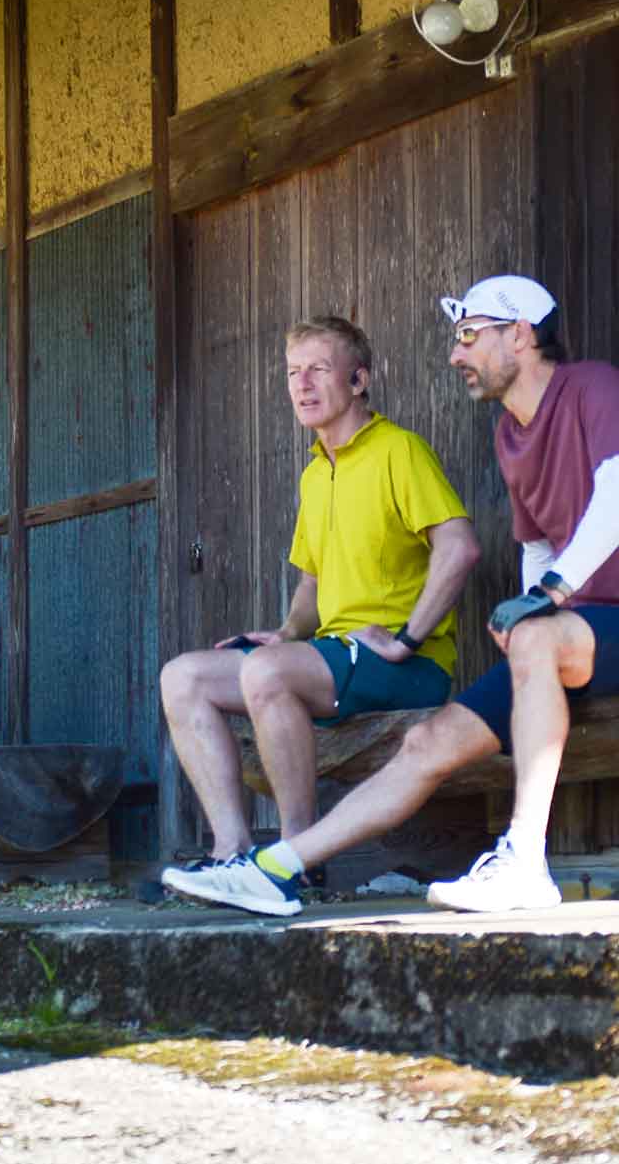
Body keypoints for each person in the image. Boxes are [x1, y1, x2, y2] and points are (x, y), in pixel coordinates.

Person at [167, 275, 619, 916]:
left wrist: (538, 601)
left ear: (520, 333)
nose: (455, 354)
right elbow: (538, 545)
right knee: (424, 742)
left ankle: (524, 861)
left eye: (469, 335)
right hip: (568, 636)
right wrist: (532, 607)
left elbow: (610, 496)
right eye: (292, 372)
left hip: (543, 633)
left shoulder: (592, 387)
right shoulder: (508, 434)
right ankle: (270, 868)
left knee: (532, 635)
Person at [160, 315, 481, 916]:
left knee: (267, 673)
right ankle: (232, 851)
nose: (302, 385)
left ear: (359, 380)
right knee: (183, 677)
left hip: (406, 666)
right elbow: (312, 581)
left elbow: (459, 548)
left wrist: (409, 639)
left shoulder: (399, 450)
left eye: (318, 370)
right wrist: (285, 633)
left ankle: (292, 860)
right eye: (292, 373)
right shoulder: (316, 473)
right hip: (335, 655)